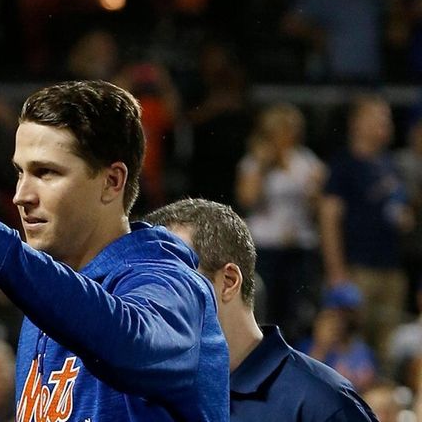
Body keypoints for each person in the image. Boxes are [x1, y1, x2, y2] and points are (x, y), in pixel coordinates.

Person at [0, 80, 229, 421]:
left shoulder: (172, 284)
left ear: (111, 181)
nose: (22, 195)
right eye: (20, 172)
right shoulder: (43, 305)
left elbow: (130, 341)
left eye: (46, 173)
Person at [144, 198, 377, 421]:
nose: (150, 302)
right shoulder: (140, 399)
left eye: (171, 282)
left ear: (228, 281)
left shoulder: (322, 405)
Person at [320, 95, 414, 365]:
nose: (386, 123)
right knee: (352, 348)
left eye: (387, 117)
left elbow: (399, 210)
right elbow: (329, 219)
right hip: (357, 269)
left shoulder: (390, 165)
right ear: (357, 123)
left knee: (387, 351)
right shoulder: (343, 166)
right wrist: (337, 272)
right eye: (378, 117)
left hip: (391, 268)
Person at [236, 102, 325, 341]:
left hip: (299, 246)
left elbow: (318, 206)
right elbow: (247, 198)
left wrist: (316, 191)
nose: (291, 135)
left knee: (295, 313)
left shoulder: (305, 160)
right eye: (285, 129)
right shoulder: (255, 161)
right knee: (266, 310)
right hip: (267, 247)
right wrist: (264, 166)